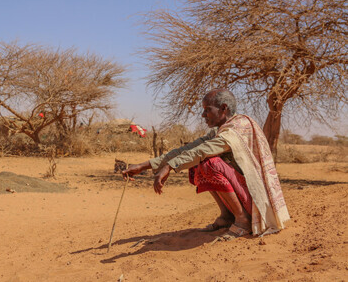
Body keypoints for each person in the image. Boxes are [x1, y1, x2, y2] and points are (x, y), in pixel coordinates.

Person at [122, 89, 290, 240]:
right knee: (197, 163)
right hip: (243, 192)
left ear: (223, 108)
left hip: (254, 201)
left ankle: (243, 220)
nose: (203, 115)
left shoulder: (234, 131)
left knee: (209, 163)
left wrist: (169, 167)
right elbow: (188, 149)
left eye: (207, 110)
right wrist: (143, 166)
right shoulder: (221, 129)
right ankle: (226, 217)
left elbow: (202, 151)